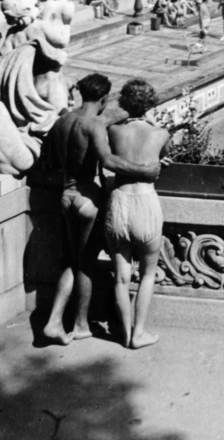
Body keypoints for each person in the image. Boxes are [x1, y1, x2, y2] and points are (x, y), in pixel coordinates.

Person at [40, 75, 160, 345]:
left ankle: (55, 321)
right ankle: (80, 325)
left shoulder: (61, 121)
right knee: (84, 265)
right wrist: (145, 170)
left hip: (65, 196)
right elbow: (108, 161)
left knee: (73, 261)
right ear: (105, 99)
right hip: (87, 199)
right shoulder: (94, 125)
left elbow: (49, 162)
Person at [105, 79, 170, 349]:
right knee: (147, 273)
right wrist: (153, 124)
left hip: (118, 202)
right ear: (151, 103)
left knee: (121, 275)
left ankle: (123, 332)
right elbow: (164, 157)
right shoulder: (162, 133)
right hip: (146, 203)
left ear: (124, 102)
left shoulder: (113, 131)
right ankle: (138, 333)